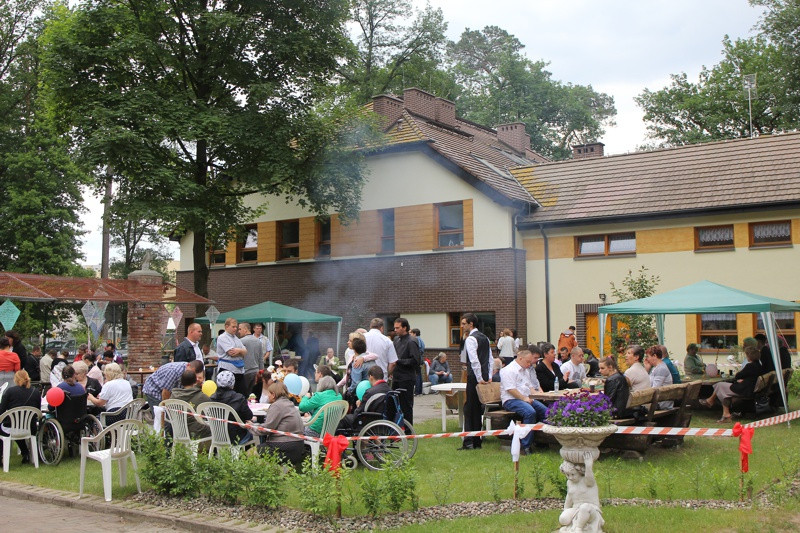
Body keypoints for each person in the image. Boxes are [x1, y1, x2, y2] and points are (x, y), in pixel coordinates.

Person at [500, 350, 548, 454]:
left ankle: (542, 440)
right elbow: (510, 389)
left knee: (546, 412)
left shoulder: (525, 370)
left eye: (530, 362)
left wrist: (538, 395)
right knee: (530, 412)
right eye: (528, 362)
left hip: (525, 399)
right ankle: (525, 446)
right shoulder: (508, 370)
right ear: (520, 358)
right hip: (511, 400)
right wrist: (524, 398)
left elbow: (529, 387)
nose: (529, 364)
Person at [700, 346, 762, 422]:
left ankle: (714, 404)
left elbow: (738, 375)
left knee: (719, 386)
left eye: (746, 355)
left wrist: (741, 379)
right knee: (721, 387)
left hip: (744, 390)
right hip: (749, 388)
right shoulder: (758, 365)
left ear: (749, 355)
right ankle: (720, 409)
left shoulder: (750, 366)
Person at [460, 313, 491, 450]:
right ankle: (477, 441)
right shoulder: (485, 338)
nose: (462, 326)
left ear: (471, 324)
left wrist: (479, 379)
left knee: (470, 408)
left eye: (464, 323)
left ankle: (469, 442)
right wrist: (488, 376)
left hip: (475, 377)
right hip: (483, 376)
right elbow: (490, 359)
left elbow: (474, 361)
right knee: (477, 409)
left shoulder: (471, 339)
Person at [256, 381, 305, 466]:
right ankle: (281, 472)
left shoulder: (277, 406)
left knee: (252, 453)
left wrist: (249, 427)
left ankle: (263, 476)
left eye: (269, 393)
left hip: (284, 446)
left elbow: (267, 429)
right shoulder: (290, 404)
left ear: (274, 395)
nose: (268, 396)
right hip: (298, 446)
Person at [0, 370, 41, 464]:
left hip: (12, 427)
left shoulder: (10, 391)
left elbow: (1, 411)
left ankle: (2, 457)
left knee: (8, 427)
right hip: (30, 427)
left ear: (15, 379)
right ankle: (25, 452)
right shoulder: (35, 391)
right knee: (18, 427)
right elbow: (37, 410)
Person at [559, 453, 604, 532]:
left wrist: (589, 466)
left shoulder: (587, 481)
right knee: (563, 519)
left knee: (584, 507)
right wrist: (565, 509)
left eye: (573, 474)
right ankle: (576, 523)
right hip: (576, 510)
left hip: (591, 510)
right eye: (567, 475)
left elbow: (589, 477)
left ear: (580, 472)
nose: (570, 477)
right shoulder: (570, 482)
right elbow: (569, 497)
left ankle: (578, 528)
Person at [340, 365, 391, 430]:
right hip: (385, 420)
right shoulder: (389, 390)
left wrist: (359, 406)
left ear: (371, 377)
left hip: (369, 421)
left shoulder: (370, 392)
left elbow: (357, 413)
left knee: (343, 418)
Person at [211, 370, 253, 444]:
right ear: (233, 384)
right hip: (236, 437)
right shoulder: (239, 398)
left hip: (216, 435)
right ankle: (245, 455)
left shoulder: (212, 398)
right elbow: (249, 415)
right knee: (252, 434)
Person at [392, 318, 420, 425]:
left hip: (407, 378)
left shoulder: (412, 341)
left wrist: (399, 361)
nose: (395, 330)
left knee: (406, 405)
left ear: (404, 328)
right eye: (394, 328)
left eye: (398, 328)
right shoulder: (396, 340)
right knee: (394, 404)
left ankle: (408, 431)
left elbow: (415, 360)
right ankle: (397, 427)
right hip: (396, 377)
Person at [169, 369, 212, 439]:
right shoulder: (202, 397)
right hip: (195, 432)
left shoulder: (173, 396)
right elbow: (211, 413)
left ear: (182, 382)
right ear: (195, 381)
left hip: (178, 431)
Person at [215, 317, 248, 396]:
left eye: (236, 327)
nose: (235, 329)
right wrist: (241, 351)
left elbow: (245, 351)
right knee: (227, 395)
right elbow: (231, 353)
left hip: (239, 370)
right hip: (227, 370)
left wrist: (239, 351)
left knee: (242, 394)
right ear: (226, 326)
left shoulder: (236, 338)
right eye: (233, 327)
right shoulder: (222, 337)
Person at [238, 321, 264, 397]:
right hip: (256, 372)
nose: (239, 332)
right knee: (254, 396)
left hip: (245, 372)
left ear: (245, 329)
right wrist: (261, 372)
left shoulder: (241, 342)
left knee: (244, 395)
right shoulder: (258, 342)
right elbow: (261, 359)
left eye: (240, 329)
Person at [410, 328, 425, 395]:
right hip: (420, 359)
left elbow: (417, 350)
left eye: (411, 333)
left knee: (417, 375)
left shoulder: (417, 340)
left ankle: (417, 391)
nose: (410, 335)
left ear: (414, 334)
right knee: (419, 374)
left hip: (417, 359)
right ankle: (420, 391)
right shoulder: (421, 340)